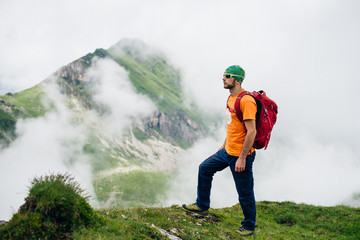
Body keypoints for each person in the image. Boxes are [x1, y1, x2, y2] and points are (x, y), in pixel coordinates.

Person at [182, 65, 257, 236]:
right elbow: (233, 125)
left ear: (237, 80)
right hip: (227, 151)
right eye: (223, 75)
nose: (223, 78)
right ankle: (202, 206)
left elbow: (252, 131)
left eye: (227, 76)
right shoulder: (230, 98)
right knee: (204, 168)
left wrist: (242, 158)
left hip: (241, 155)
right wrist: (225, 144)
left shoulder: (246, 101)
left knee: (244, 192)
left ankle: (249, 226)